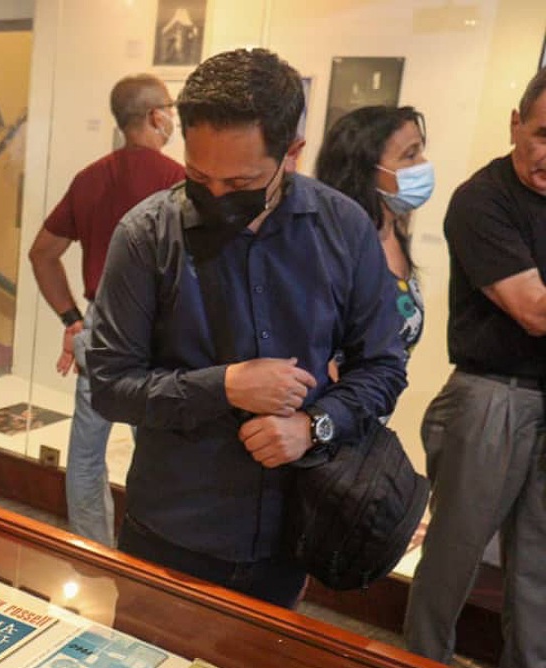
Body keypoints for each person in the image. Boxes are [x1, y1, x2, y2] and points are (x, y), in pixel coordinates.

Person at [87, 48, 406, 607]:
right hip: (172, 530)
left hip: (291, 531)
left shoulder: (343, 229)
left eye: (240, 182)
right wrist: (226, 385)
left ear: (293, 153)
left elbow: (382, 366)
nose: (215, 197)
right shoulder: (146, 235)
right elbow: (111, 386)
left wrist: (314, 425)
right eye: (198, 177)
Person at [404, 67, 546, 668]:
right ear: (516, 124)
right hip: (493, 398)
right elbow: (535, 310)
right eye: (543, 135)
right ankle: (422, 660)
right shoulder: (482, 199)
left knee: (539, 566)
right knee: (453, 557)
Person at [27, 74, 184, 546]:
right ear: (156, 116)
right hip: (155, 327)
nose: (173, 118)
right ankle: (151, 548)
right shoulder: (177, 182)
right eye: (171, 109)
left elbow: (42, 253)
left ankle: (90, 548)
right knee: (154, 448)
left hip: (101, 322)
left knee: (87, 449)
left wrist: (71, 319)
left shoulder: (91, 177)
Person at [316, 105, 432, 367]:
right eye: (410, 155)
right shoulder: (334, 245)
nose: (422, 165)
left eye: (420, 152)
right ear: (365, 169)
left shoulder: (396, 231)